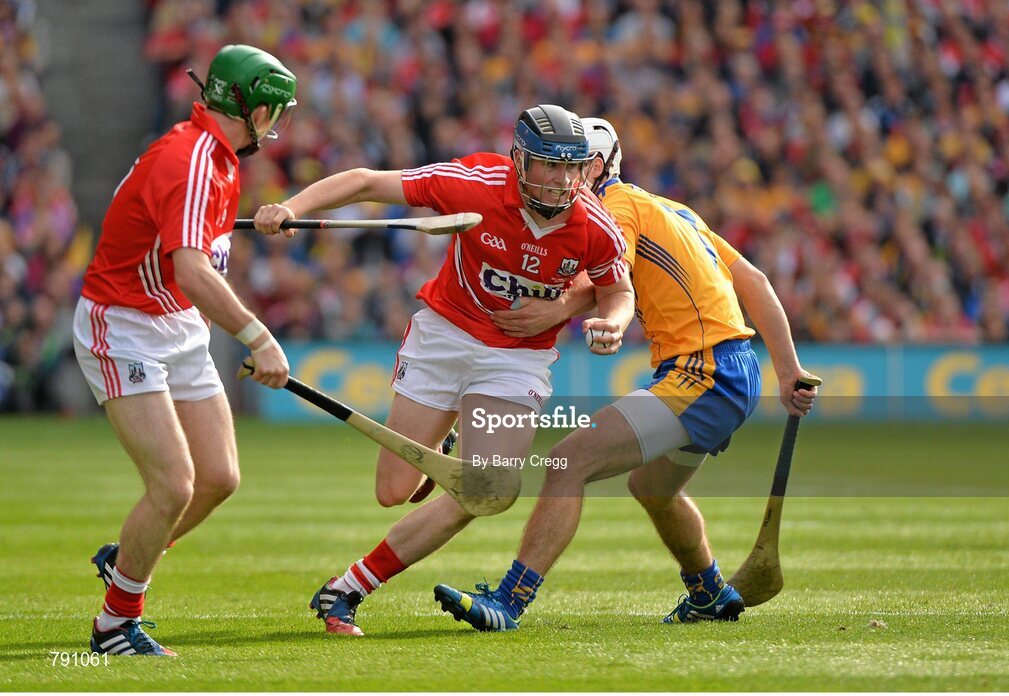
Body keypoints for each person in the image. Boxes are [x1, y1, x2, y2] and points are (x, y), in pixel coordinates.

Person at [253, 104, 634, 636]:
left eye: (571, 168)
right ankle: (452, 431)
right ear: (519, 160)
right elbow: (364, 181)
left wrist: (613, 323)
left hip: (516, 360)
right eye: (548, 166)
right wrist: (290, 208)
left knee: (486, 487)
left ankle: (347, 589)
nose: (560, 180)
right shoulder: (473, 182)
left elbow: (618, 290)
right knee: (393, 491)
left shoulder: (595, 224)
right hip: (444, 337)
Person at [433, 117, 819, 631]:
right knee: (653, 488)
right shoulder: (671, 208)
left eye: (570, 165)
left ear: (596, 167)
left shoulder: (612, 209)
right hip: (731, 370)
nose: (557, 176)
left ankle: (509, 601)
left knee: (568, 461)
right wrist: (787, 369)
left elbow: (599, 281)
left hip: (703, 371)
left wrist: (553, 309)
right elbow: (753, 280)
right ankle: (709, 592)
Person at [72, 45, 296, 656]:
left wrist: (273, 218)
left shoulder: (220, 159)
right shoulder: (195, 157)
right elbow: (193, 269)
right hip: (122, 322)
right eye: (272, 108)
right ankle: (115, 624)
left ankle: (129, 557)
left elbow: (196, 242)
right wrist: (259, 336)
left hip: (177, 323)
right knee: (173, 485)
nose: (276, 121)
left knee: (218, 478)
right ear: (246, 105)